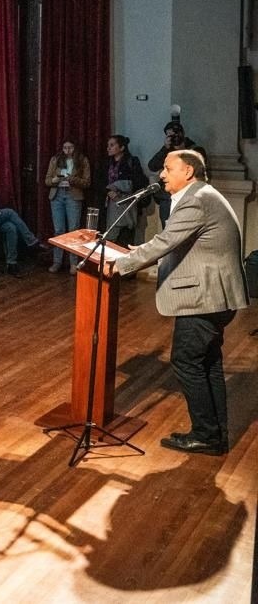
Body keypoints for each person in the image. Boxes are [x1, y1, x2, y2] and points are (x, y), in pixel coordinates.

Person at [107, 151, 247, 456]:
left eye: (168, 169)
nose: (161, 174)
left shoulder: (197, 199)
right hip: (213, 297)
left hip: (204, 299)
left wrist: (119, 265)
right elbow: (173, 238)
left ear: (188, 170)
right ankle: (215, 433)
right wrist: (138, 250)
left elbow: (165, 243)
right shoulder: (201, 195)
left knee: (186, 362)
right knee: (207, 364)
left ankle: (206, 435)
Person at [146, 121, 206, 226]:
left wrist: (181, 149)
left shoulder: (195, 149)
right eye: (169, 136)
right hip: (167, 199)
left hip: (187, 199)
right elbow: (152, 166)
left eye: (175, 134)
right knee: (168, 231)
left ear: (182, 133)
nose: (174, 138)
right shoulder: (167, 151)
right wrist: (165, 148)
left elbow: (195, 170)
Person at [44, 140, 91, 273]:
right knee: (59, 230)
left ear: (75, 148)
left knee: (73, 230)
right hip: (57, 195)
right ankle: (57, 262)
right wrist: (54, 180)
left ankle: (73, 264)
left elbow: (87, 182)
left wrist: (72, 179)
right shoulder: (55, 159)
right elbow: (47, 180)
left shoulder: (82, 160)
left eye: (70, 147)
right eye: (65, 148)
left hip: (73, 195)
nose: (67, 150)